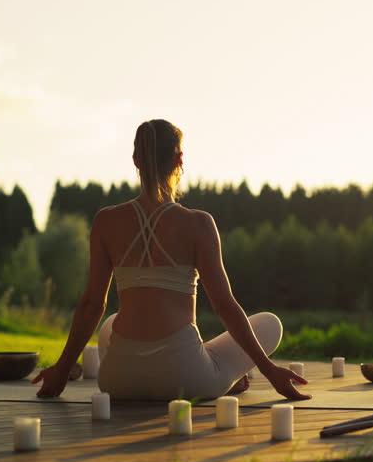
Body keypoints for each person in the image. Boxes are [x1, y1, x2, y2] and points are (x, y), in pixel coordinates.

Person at [33, 119, 310, 401]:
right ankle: (225, 377)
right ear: (179, 159)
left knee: (110, 323)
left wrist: (61, 369)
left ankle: (222, 374)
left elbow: (92, 304)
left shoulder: (106, 221)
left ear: (135, 160)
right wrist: (270, 370)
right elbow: (224, 305)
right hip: (185, 380)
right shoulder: (199, 223)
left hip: (118, 381)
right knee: (269, 324)